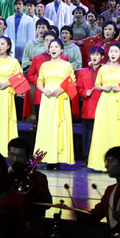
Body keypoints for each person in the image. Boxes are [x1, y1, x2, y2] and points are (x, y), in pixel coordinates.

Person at [87, 43, 120, 171]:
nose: (113, 54)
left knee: (116, 131)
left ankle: (119, 164)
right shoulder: (103, 69)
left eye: (116, 52)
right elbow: (97, 85)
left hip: (117, 102)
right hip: (105, 102)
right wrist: (104, 87)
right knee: (102, 130)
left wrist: (119, 88)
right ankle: (100, 163)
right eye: (111, 51)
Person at [35, 38, 75, 167]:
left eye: (56, 47)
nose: (53, 49)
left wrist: (61, 89)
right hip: (47, 99)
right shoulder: (44, 65)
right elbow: (39, 82)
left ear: (62, 50)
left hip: (60, 98)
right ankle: (46, 158)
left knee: (59, 127)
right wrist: (44, 90)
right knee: (46, 127)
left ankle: (57, 159)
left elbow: (72, 82)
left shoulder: (67, 65)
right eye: (51, 46)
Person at [7, 138, 52, 237]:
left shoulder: (39, 177)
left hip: (30, 227)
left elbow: (47, 204)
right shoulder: (4, 175)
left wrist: (31, 185)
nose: (15, 160)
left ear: (29, 158)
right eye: (12, 155)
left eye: (20, 156)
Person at [76, 46, 104, 165]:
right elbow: (78, 88)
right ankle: (86, 158)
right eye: (92, 54)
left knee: (100, 135)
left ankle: (99, 158)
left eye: (97, 55)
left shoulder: (105, 71)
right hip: (87, 107)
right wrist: (84, 92)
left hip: (102, 107)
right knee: (87, 135)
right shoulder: (83, 72)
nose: (94, 57)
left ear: (102, 57)